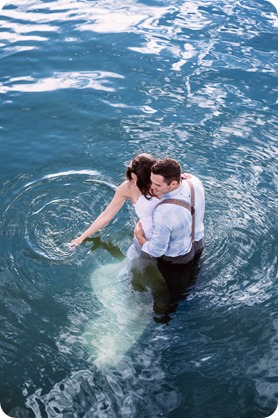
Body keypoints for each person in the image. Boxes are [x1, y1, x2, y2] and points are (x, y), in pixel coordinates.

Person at [134, 158, 205, 306]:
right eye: (151, 181)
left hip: (177, 258)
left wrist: (140, 237)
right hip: (198, 242)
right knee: (194, 278)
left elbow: (156, 251)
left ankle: (167, 317)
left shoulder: (163, 212)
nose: (152, 187)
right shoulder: (194, 181)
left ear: (173, 183)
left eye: (157, 185)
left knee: (173, 296)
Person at [70, 153, 160, 250]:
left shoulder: (165, 185)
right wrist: (81, 238)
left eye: (138, 181)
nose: (134, 184)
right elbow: (106, 215)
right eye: (132, 179)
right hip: (145, 236)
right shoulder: (127, 187)